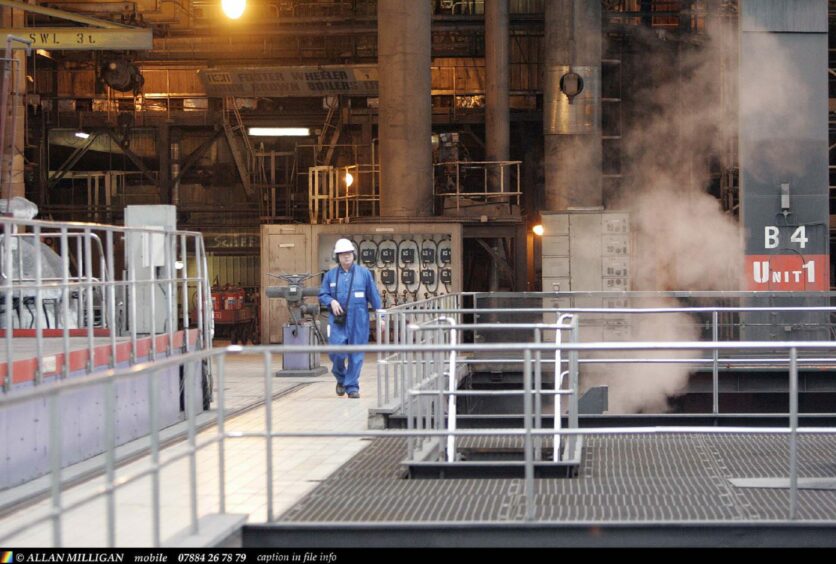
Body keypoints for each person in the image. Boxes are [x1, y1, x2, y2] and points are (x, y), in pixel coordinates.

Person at [319, 238, 381, 399]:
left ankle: (352, 387)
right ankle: (341, 378)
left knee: (356, 354)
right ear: (337, 257)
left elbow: (373, 296)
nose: (346, 256)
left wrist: (380, 315)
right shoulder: (330, 276)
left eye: (349, 253)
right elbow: (323, 294)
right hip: (338, 321)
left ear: (353, 255)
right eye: (342, 254)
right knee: (336, 353)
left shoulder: (364, 274)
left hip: (359, 320)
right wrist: (330, 301)